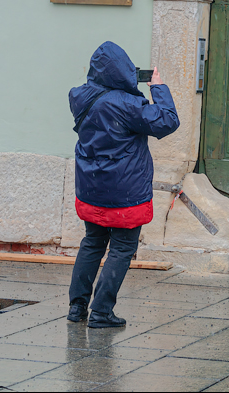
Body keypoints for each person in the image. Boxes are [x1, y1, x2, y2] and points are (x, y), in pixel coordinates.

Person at [66, 41, 179, 328]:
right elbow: (168, 121)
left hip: (91, 186)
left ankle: (77, 308)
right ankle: (101, 312)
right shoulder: (128, 105)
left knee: (92, 243)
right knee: (121, 249)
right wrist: (158, 88)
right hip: (124, 191)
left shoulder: (79, 97)